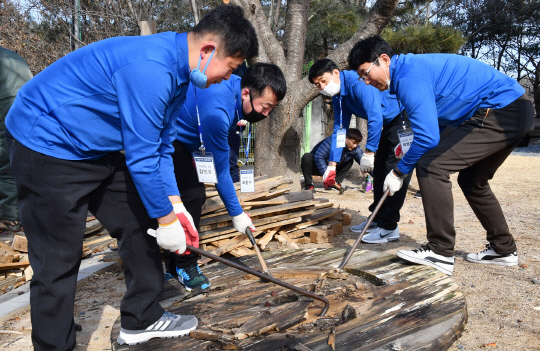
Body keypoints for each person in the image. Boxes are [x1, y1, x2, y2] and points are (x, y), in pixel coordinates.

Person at [5, 5, 258, 349]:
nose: (228, 78)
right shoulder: (151, 69)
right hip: (47, 143)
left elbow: (162, 146)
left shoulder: (180, 71)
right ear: (208, 50)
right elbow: (141, 158)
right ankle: (53, 344)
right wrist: (168, 220)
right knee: (58, 256)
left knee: (141, 221)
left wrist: (172, 206)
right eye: (230, 68)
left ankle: (143, 318)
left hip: (95, 145)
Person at [348, 35, 534, 275]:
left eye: (365, 73)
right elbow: (437, 126)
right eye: (360, 77)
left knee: (431, 166)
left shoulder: (407, 76)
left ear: (383, 60)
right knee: (472, 181)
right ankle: (503, 249)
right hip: (513, 110)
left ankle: (440, 251)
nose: (365, 81)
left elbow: (429, 138)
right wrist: (408, 150)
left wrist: (399, 170)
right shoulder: (410, 70)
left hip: (502, 109)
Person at [169, 63, 286, 290]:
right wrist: (237, 214)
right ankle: (183, 264)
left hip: (193, 139)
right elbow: (221, 172)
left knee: (192, 195)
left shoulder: (236, 89)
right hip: (172, 137)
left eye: (271, 109)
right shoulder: (218, 112)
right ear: (246, 93)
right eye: (265, 107)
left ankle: (173, 263)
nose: (266, 114)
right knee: (192, 195)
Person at [308, 59, 410, 243]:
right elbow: (340, 130)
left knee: (393, 170)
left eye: (324, 80)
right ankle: (376, 219)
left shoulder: (358, 82)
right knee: (379, 172)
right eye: (317, 85)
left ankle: (389, 227)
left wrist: (369, 152)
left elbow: (375, 116)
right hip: (387, 123)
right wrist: (331, 165)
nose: (322, 87)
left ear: (336, 73)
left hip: (401, 118)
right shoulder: (339, 96)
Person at [0, 47, 32, 233]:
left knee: (4, 160)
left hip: (5, 103)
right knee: (21, 156)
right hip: (27, 100)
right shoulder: (9, 54)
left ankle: (10, 219)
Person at [301, 128, 363, 194]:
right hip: (316, 166)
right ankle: (309, 184)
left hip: (332, 170)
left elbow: (365, 162)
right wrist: (327, 175)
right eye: (353, 142)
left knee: (349, 161)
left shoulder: (356, 149)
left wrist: (375, 177)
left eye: (357, 143)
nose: (355, 145)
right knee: (307, 157)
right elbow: (319, 156)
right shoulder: (332, 141)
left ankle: (334, 183)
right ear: (346, 138)